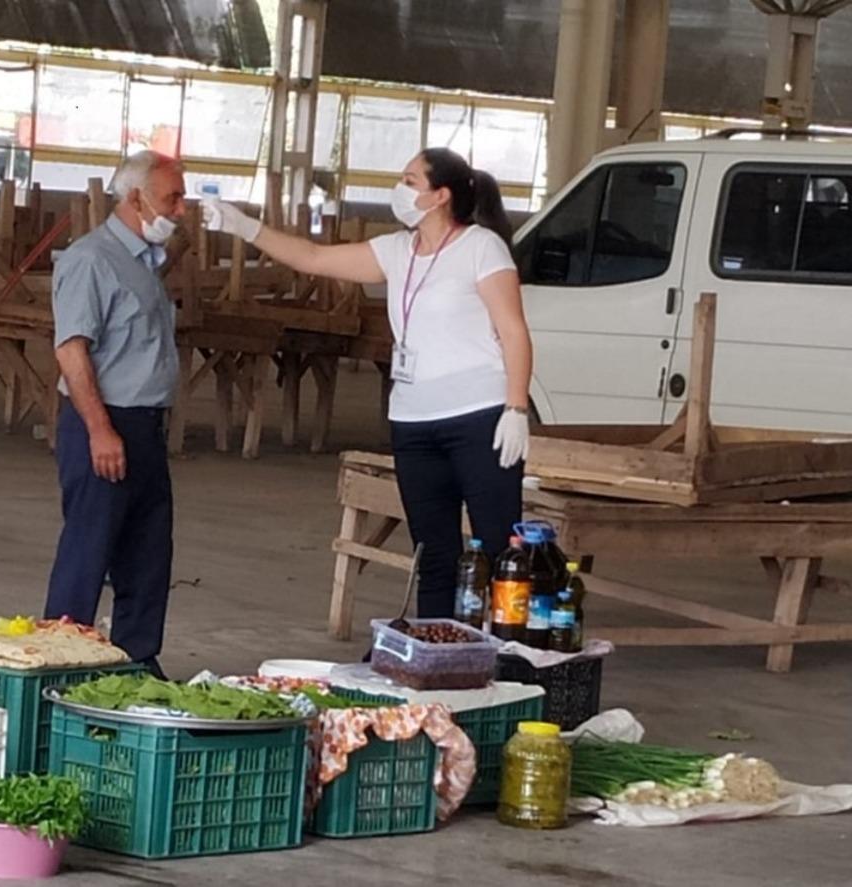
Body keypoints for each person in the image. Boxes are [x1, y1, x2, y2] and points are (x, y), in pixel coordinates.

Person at [204, 148, 533, 617]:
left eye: (409, 180)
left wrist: (515, 408)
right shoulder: (397, 251)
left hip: (477, 416)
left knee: (499, 545)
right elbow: (314, 257)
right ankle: (436, 647)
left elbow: (513, 329)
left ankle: (508, 657)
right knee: (434, 550)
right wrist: (245, 227)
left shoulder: (480, 247)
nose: (398, 189)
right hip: (414, 420)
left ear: (440, 196)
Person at [43, 150, 185, 677]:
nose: (181, 209)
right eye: (172, 197)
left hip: (145, 425)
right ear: (134, 198)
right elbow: (71, 349)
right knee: (89, 546)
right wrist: (100, 430)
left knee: (148, 552)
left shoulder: (145, 262)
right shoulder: (90, 259)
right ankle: (59, 660)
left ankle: (136, 659)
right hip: (104, 422)